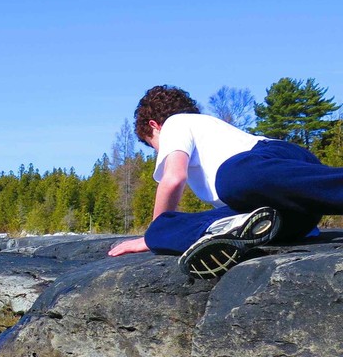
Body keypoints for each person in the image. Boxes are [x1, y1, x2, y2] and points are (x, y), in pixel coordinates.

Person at [107, 84, 343, 279]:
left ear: (153, 126)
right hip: (293, 214)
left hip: (278, 165)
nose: (158, 152)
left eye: (152, 144)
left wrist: (155, 232)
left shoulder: (176, 122)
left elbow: (173, 178)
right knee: (231, 215)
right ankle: (228, 229)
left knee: (231, 178)